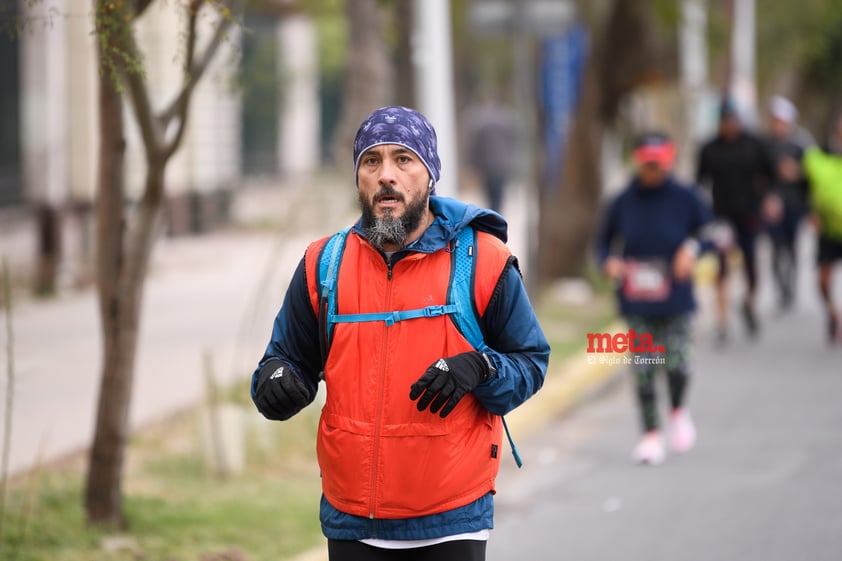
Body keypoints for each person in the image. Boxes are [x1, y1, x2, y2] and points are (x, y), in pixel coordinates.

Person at [250, 106, 550, 561]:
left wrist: (481, 365)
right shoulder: (323, 264)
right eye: (371, 161)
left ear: (429, 176)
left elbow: (530, 361)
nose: (385, 174)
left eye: (403, 159)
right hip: (352, 520)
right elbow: (283, 360)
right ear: (358, 178)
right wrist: (277, 381)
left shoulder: (484, 260)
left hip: (451, 519)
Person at [597, 132, 713, 466]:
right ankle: (650, 434)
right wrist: (610, 262)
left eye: (658, 164)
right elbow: (603, 242)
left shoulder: (686, 196)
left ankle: (677, 409)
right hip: (638, 298)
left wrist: (691, 250)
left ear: (669, 161)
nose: (653, 170)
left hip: (676, 296)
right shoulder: (622, 200)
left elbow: (711, 233)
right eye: (647, 164)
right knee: (645, 367)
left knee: (676, 364)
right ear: (638, 161)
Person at [696, 98, 775, 342]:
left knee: (751, 268)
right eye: (725, 121)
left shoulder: (754, 145)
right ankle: (722, 321)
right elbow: (699, 183)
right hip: (721, 217)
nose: (730, 125)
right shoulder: (709, 149)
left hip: (749, 214)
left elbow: (769, 175)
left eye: (733, 120)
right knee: (721, 269)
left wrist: (770, 199)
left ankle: (748, 303)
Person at [763, 95, 813, 311]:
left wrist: (798, 173)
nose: (778, 125)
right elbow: (759, 175)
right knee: (775, 247)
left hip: (795, 205)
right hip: (773, 206)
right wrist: (767, 197)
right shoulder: (765, 145)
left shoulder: (801, 145)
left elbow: (813, 177)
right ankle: (780, 288)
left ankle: (790, 287)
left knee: (792, 248)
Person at [802, 115, 842, 343]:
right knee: (823, 281)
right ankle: (832, 312)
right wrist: (811, 213)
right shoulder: (820, 156)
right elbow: (804, 186)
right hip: (828, 229)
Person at [463, 94, 517, 213]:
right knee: (499, 194)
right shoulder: (506, 119)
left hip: (486, 164)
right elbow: (512, 141)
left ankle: (493, 215)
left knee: (490, 194)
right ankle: (497, 215)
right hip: (502, 164)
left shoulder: (480, 121)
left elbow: (475, 145)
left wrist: (472, 164)